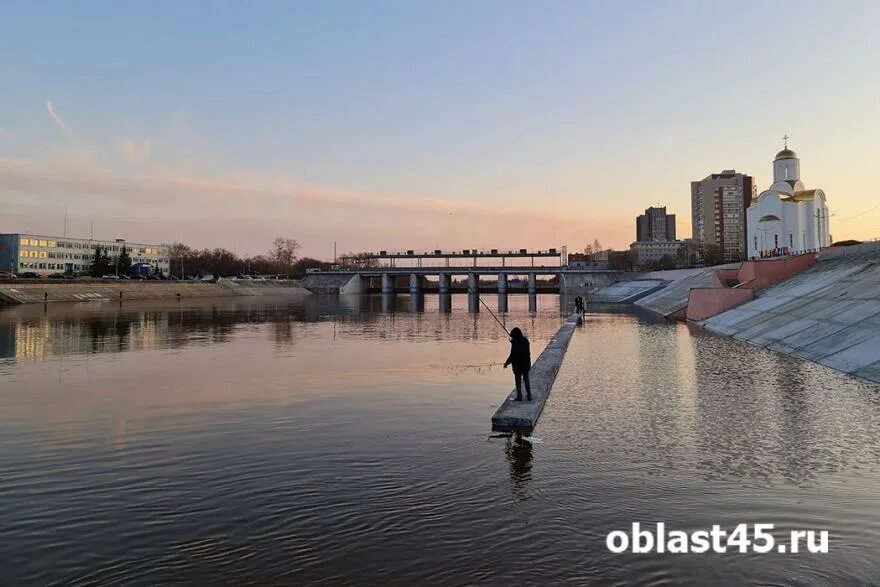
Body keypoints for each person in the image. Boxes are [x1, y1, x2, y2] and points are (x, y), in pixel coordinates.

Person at [503, 327, 532, 401]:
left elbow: (512, 355)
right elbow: (522, 348)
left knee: (518, 382)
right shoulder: (525, 340)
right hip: (526, 364)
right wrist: (513, 342)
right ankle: (529, 396)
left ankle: (519, 397)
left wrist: (506, 363)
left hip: (518, 366)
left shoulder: (515, 343)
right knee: (526, 381)